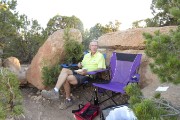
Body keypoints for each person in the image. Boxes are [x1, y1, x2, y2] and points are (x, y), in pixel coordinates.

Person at [41, 40, 106, 110]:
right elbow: (82, 64)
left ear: (97, 47)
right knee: (64, 70)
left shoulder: (100, 56)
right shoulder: (87, 55)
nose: (94, 47)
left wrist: (87, 72)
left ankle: (68, 100)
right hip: (81, 72)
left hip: (88, 75)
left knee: (65, 78)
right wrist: (80, 64)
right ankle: (55, 91)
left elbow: (100, 69)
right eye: (92, 45)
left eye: (95, 45)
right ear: (89, 47)